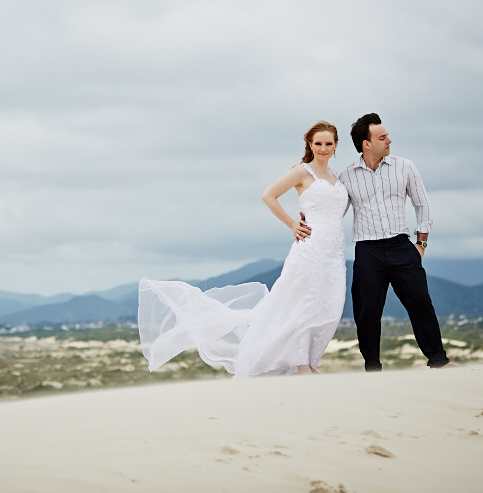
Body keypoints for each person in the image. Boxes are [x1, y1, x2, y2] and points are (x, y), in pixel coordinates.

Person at [138, 121, 348, 377]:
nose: (323, 148)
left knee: (329, 307)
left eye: (328, 143)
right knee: (303, 305)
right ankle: (301, 365)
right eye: (318, 143)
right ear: (310, 145)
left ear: (336, 145)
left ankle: (311, 362)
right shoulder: (302, 172)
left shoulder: (337, 176)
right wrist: (293, 224)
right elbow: (269, 195)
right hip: (310, 249)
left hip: (335, 252)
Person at [338, 113, 453, 371]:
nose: (389, 140)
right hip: (368, 250)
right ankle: (372, 366)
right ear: (366, 144)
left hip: (402, 246)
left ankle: (438, 361)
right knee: (366, 312)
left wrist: (421, 243)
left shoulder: (405, 167)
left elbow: (422, 204)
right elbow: (336, 212)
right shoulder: (346, 177)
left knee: (421, 304)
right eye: (382, 137)